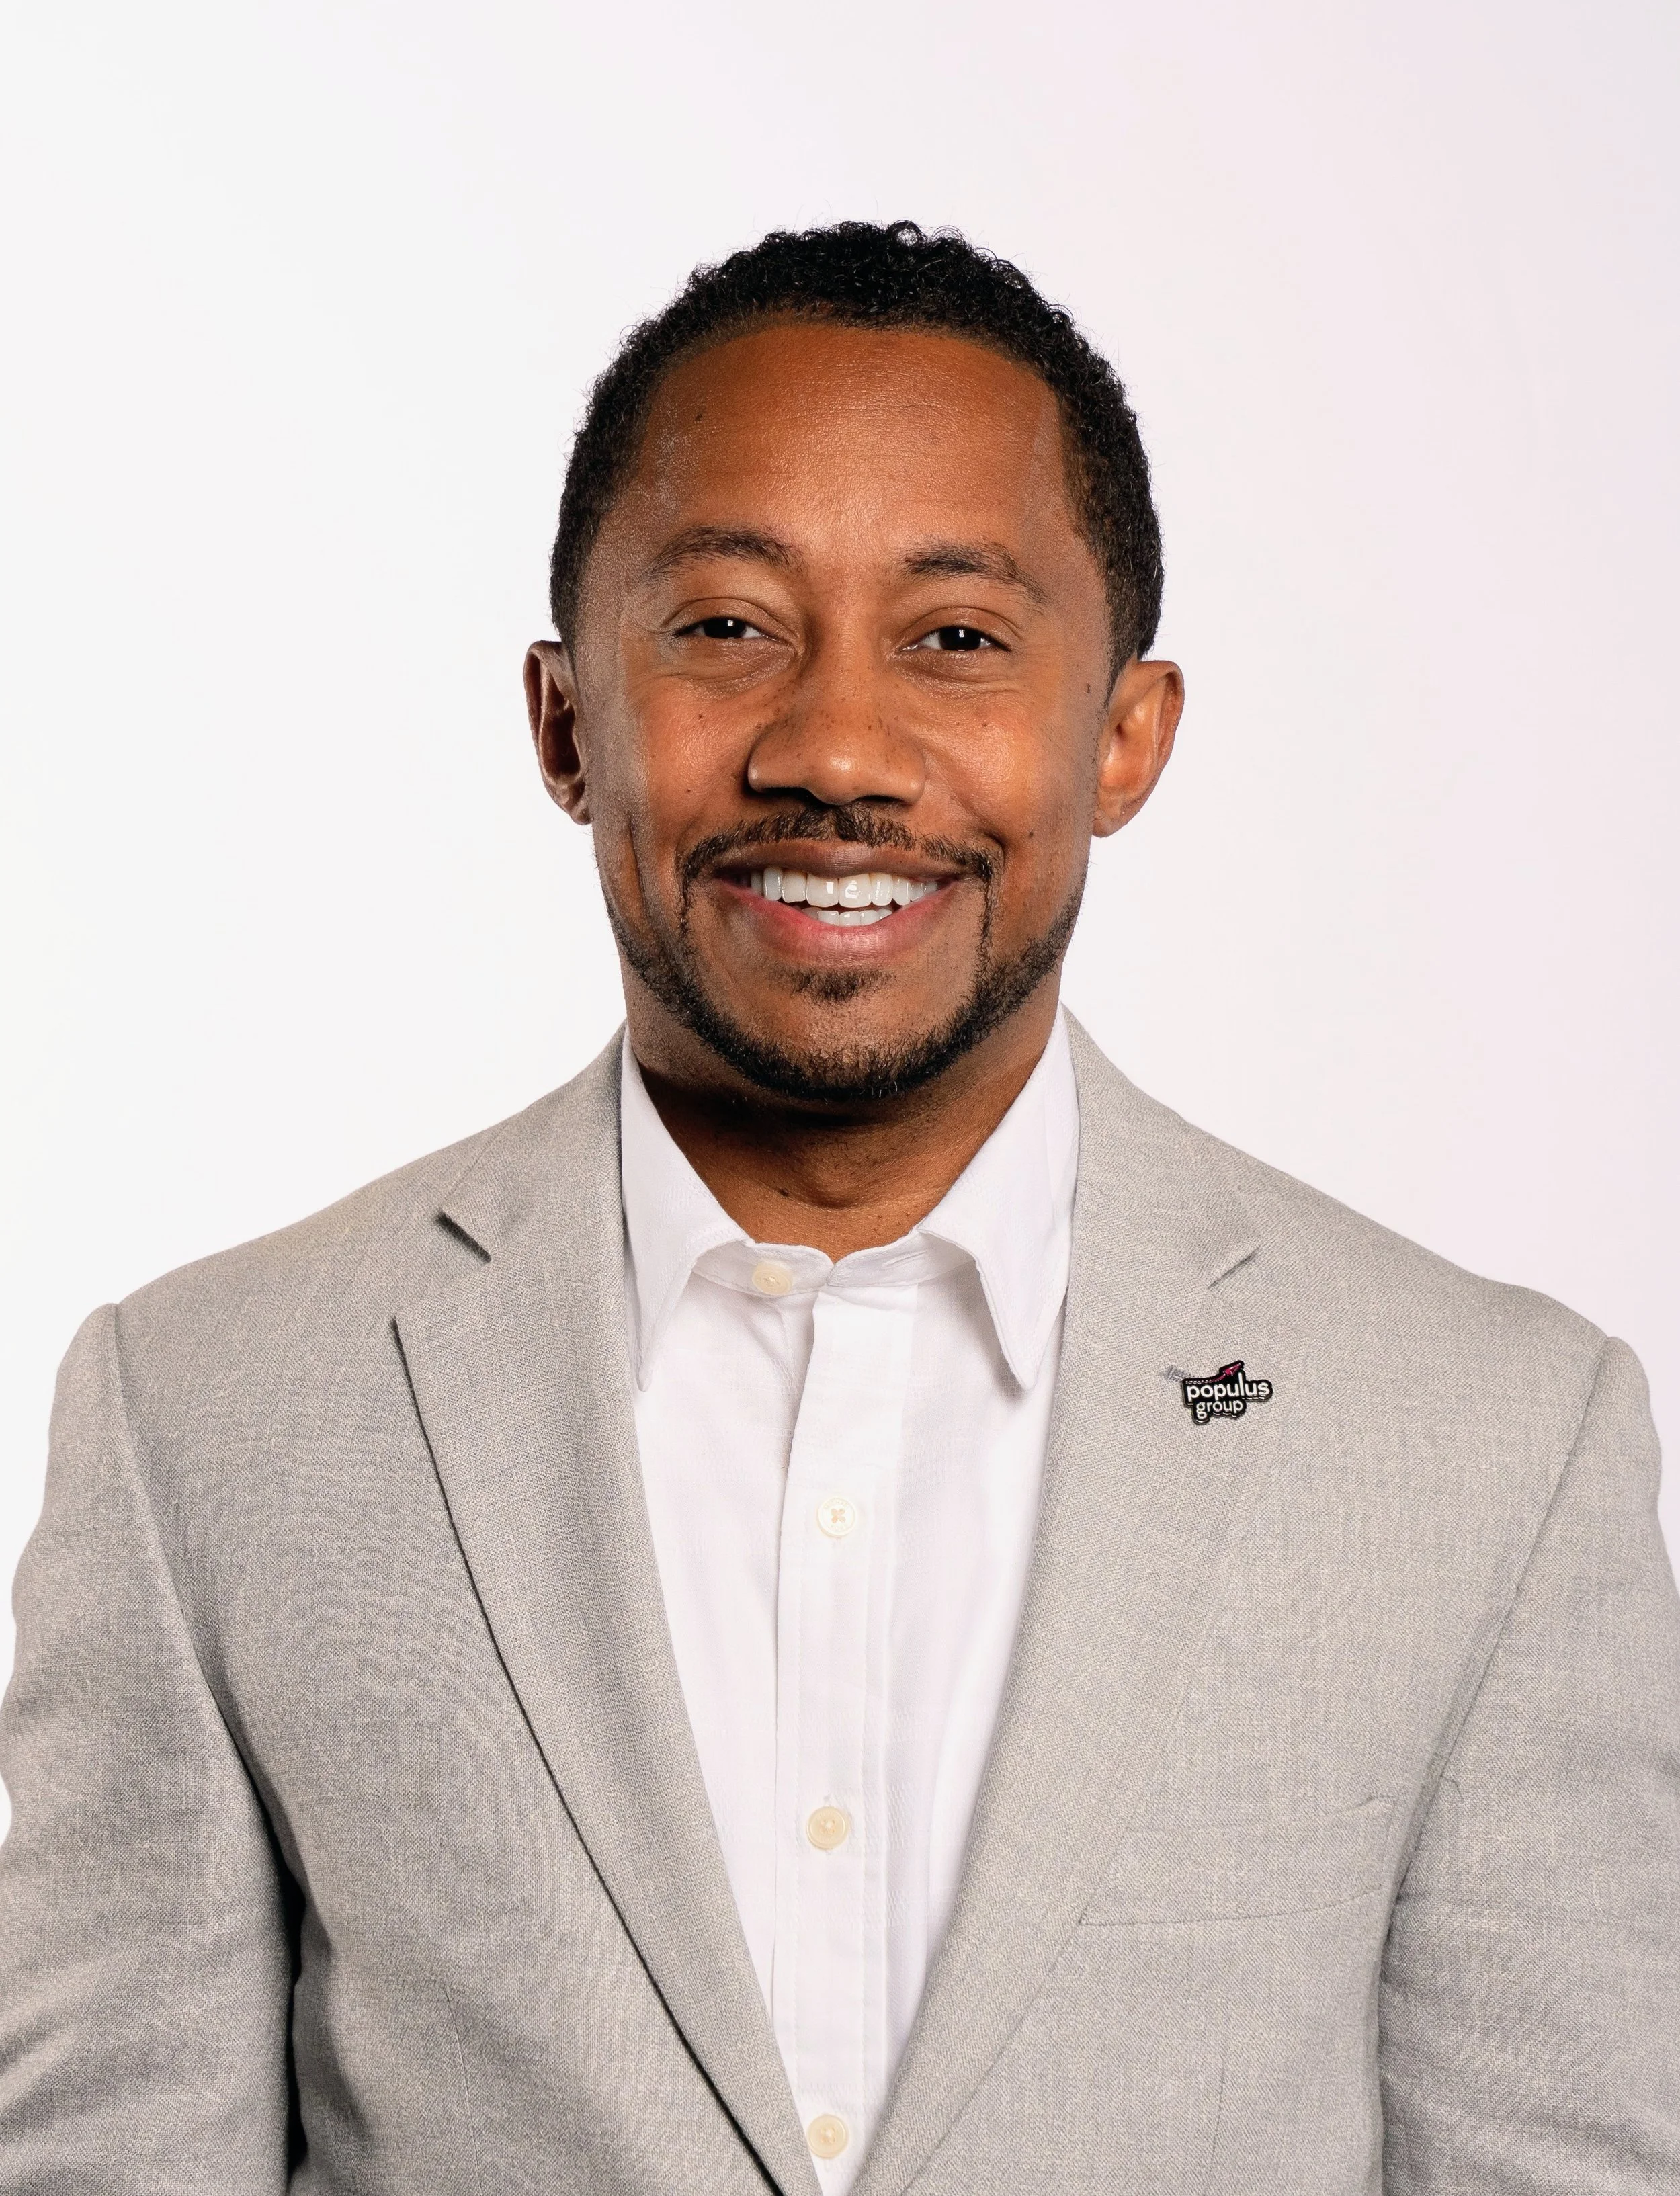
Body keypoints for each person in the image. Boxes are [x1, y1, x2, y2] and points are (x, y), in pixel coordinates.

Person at [1, 220, 1675, 2196]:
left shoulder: (1485, 1437)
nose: (834, 751)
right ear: (563, 722)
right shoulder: (209, 1413)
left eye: (955, 636)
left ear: (1123, 735)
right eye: (724, 624)